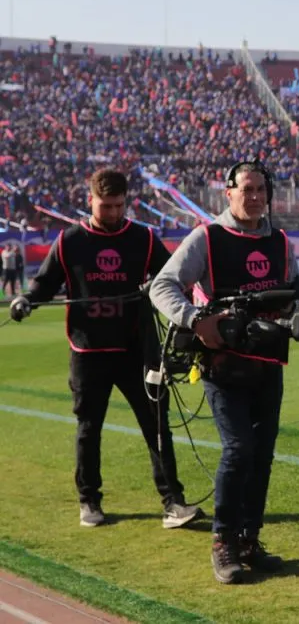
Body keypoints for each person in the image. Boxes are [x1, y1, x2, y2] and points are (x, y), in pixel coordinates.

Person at [7, 169, 202, 529]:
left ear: (126, 202)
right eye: (104, 206)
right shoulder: (70, 241)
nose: (112, 213)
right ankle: (89, 500)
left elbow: (172, 278)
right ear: (90, 201)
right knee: (88, 428)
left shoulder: (142, 239)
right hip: (88, 351)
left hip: (137, 350)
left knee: (157, 426)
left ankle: (173, 503)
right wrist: (26, 299)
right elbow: (44, 284)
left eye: (118, 206)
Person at [149, 160, 299, 584]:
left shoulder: (279, 240)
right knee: (239, 450)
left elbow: (292, 290)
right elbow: (162, 285)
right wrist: (193, 319)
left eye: (261, 189)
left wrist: (293, 303)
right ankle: (223, 542)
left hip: (269, 365)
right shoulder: (207, 238)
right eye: (247, 189)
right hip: (222, 366)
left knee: (261, 456)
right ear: (229, 192)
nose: (255, 196)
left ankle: (248, 540)